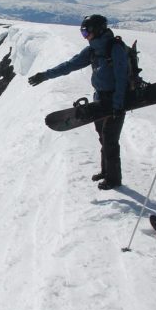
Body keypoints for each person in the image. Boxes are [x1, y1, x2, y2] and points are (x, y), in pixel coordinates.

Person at [28, 14, 129, 190]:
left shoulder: (115, 49)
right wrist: (44, 75)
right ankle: (106, 172)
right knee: (103, 138)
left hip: (115, 100)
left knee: (110, 139)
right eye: (83, 33)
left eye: (86, 32)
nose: (85, 36)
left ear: (97, 30)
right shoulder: (92, 51)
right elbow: (69, 66)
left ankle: (114, 179)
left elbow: (122, 78)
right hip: (99, 99)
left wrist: (118, 105)